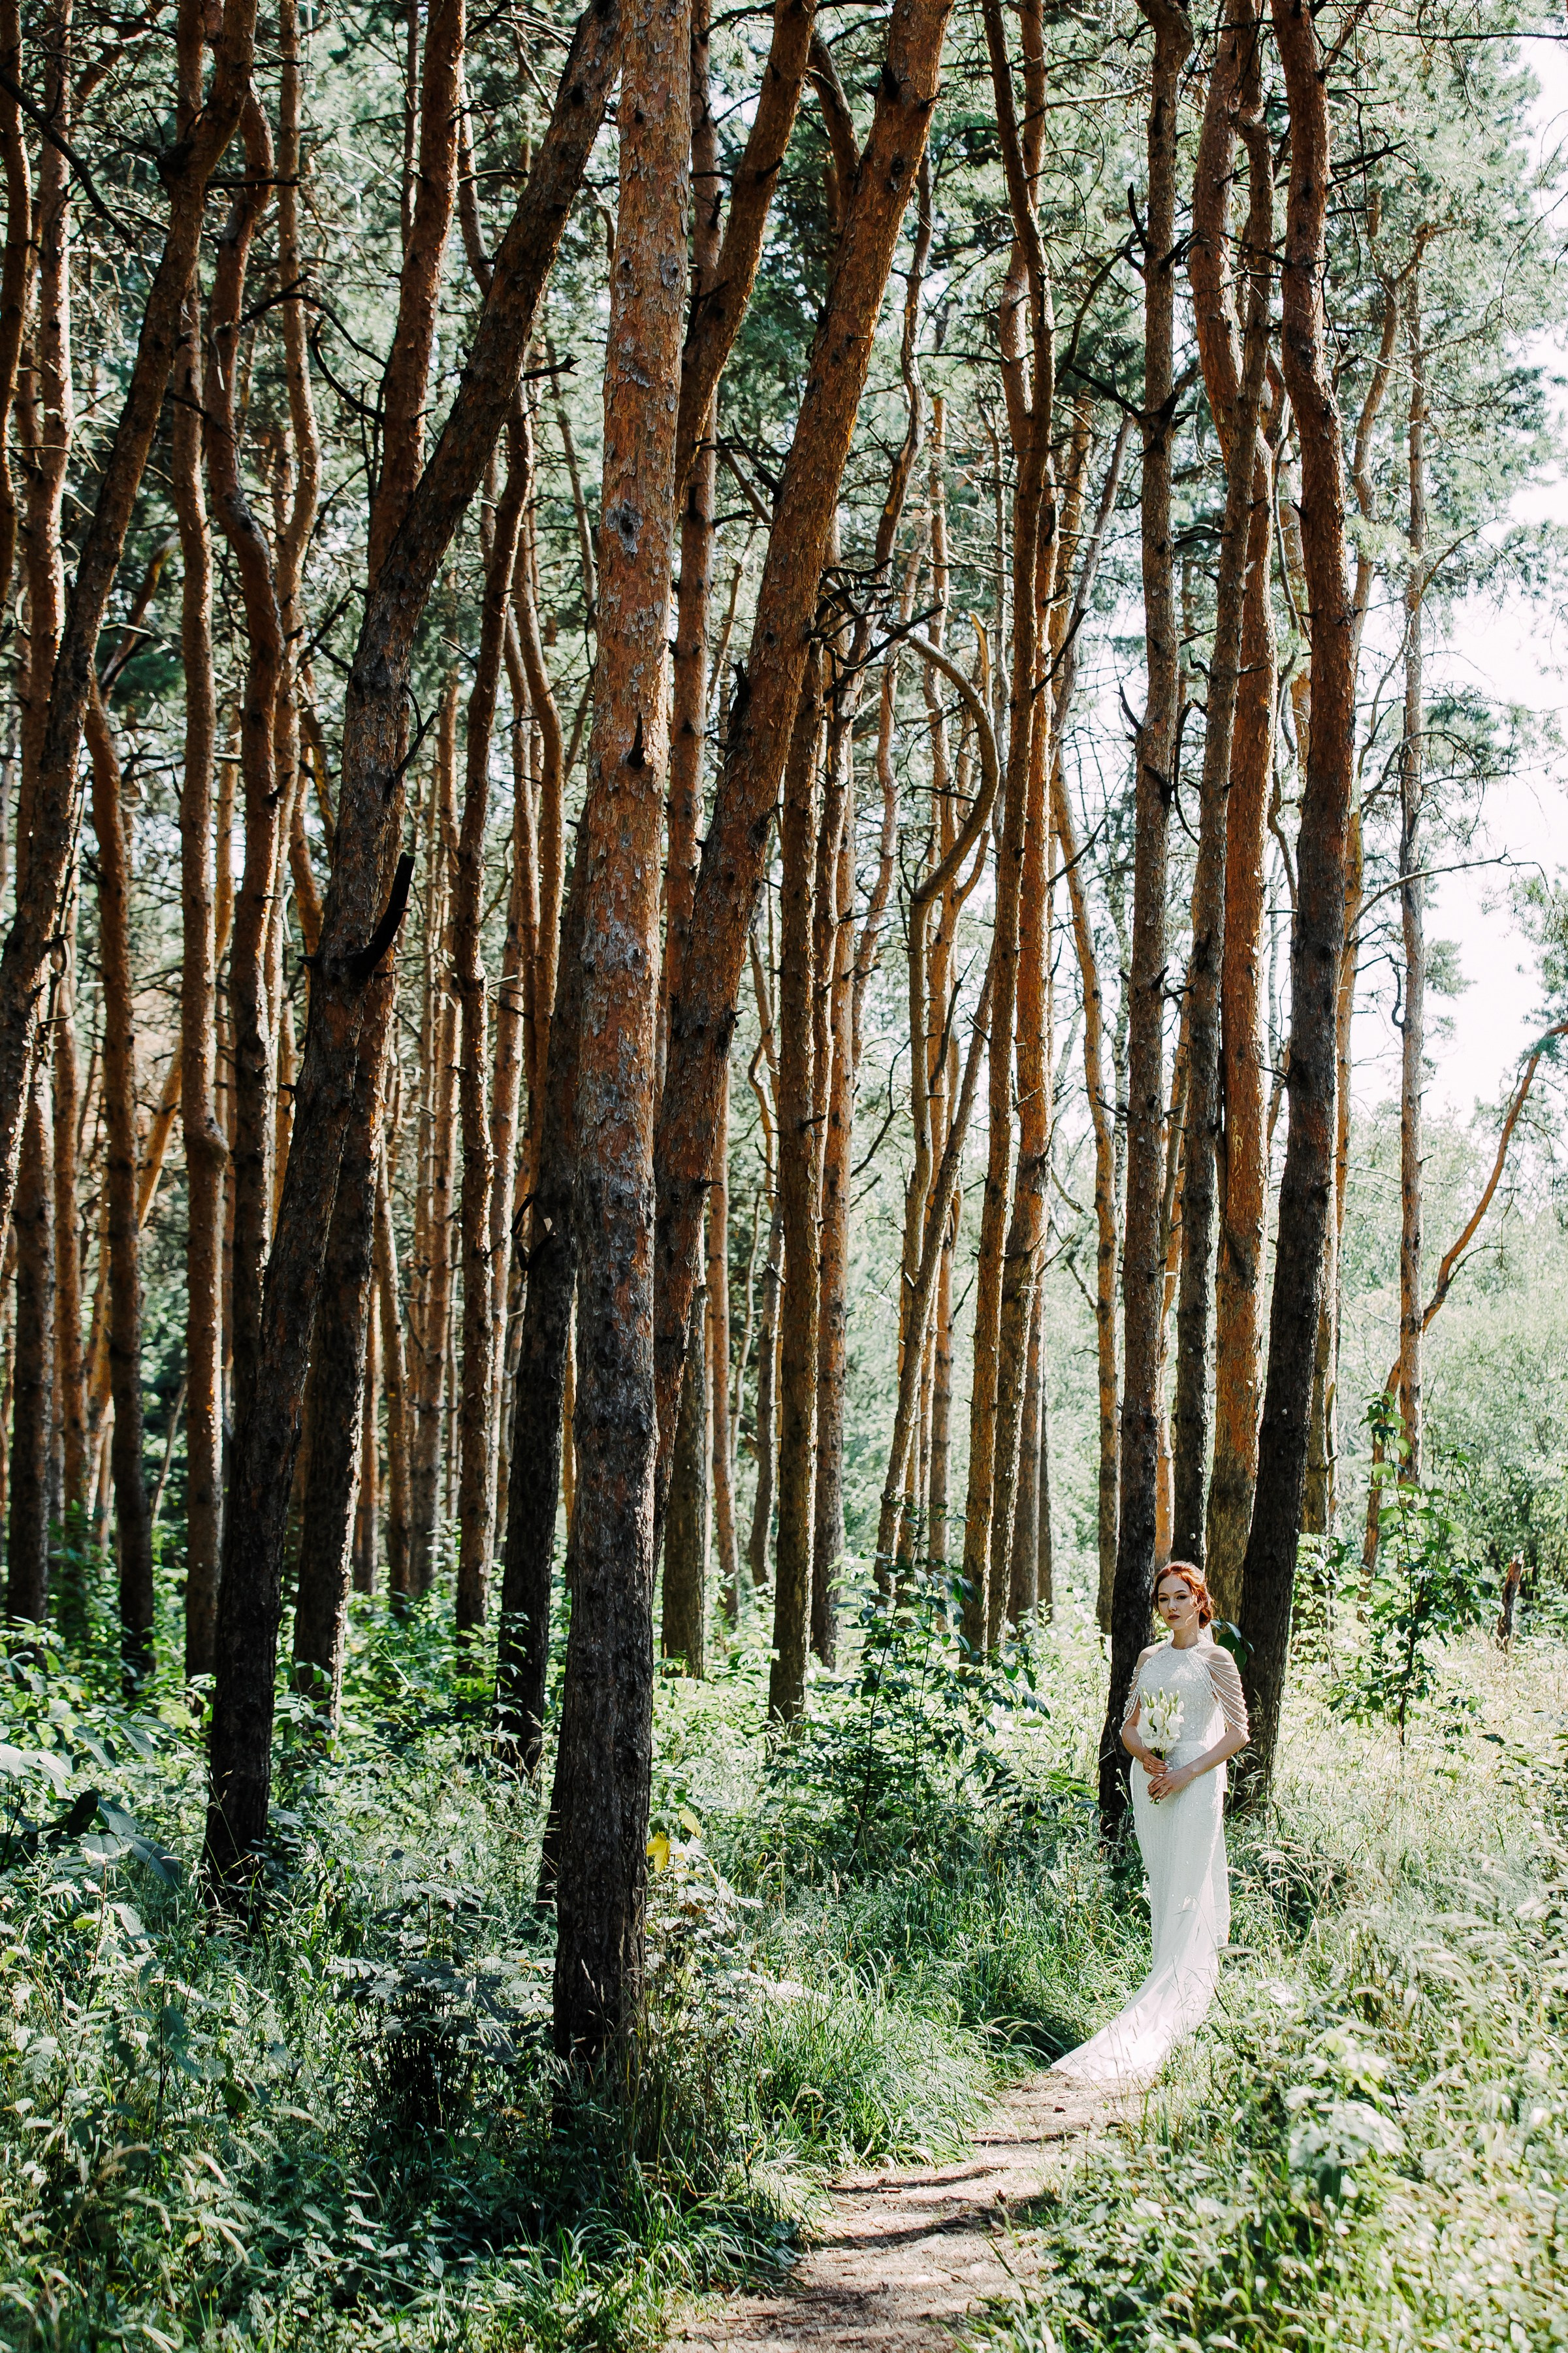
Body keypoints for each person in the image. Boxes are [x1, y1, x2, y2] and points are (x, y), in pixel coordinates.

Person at [1053, 1561, 1251, 2088]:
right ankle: (1164, 1984)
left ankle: (1181, 2004)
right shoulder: (1148, 1657)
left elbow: (1237, 1734)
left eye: (1180, 1597)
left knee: (1190, 1886)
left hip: (1197, 1779)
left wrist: (1185, 1770)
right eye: (1162, 1599)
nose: (1170, 1608)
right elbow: (1128, 1729)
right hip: (1153, 1781)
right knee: (1164, 1887)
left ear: (1199, 1600)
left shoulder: (1216, 1659)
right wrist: (1147, 1758)